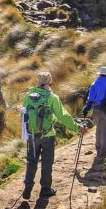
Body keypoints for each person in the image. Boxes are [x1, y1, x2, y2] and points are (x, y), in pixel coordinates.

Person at [21, 71, 86, 200]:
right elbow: (63, 116)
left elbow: (24, 114)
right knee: (46, 163)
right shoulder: (52, 97)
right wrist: (78, 128)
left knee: (32, 161)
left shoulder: (28, 96)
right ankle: (45, 189)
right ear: (50, 83)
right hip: (48, 135)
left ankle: (28, 185)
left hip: (32, 134)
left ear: (37, 82)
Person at [81, 67, 106, 182]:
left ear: (99, 75)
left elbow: (90, 99)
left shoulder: (94, 84)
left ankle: (98, 151)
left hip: (97, 110)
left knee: (98, 131)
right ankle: (102, 155)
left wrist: (86, 108)